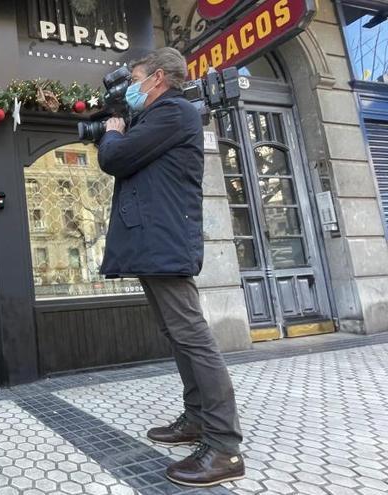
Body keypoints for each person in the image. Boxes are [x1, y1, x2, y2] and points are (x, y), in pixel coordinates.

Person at [96, 47, 244, 487]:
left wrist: (113, 131)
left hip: (163, 241)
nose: (132, 86)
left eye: (136, 77)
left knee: (192, 335)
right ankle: (197, 419)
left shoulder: (175, 113)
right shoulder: (159, 116)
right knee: (178, 333)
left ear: (157, 77)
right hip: (153, 242)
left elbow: (114, 158)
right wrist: (117, 124)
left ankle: (224, 447)